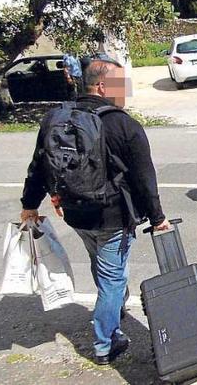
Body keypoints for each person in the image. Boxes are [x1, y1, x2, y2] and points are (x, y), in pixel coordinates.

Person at [19, 56, 170, 365]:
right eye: (121, 83)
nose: (126, 90)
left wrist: (29, 205)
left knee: (100, 264)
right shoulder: (122, 124)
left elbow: (38, 165)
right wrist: (158, 219)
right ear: (103, 86)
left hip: (74, 213)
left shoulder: (55, 118)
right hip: (111, 215)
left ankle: (114, 308)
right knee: (113, 277)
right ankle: (105, 343)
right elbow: (144, 178)